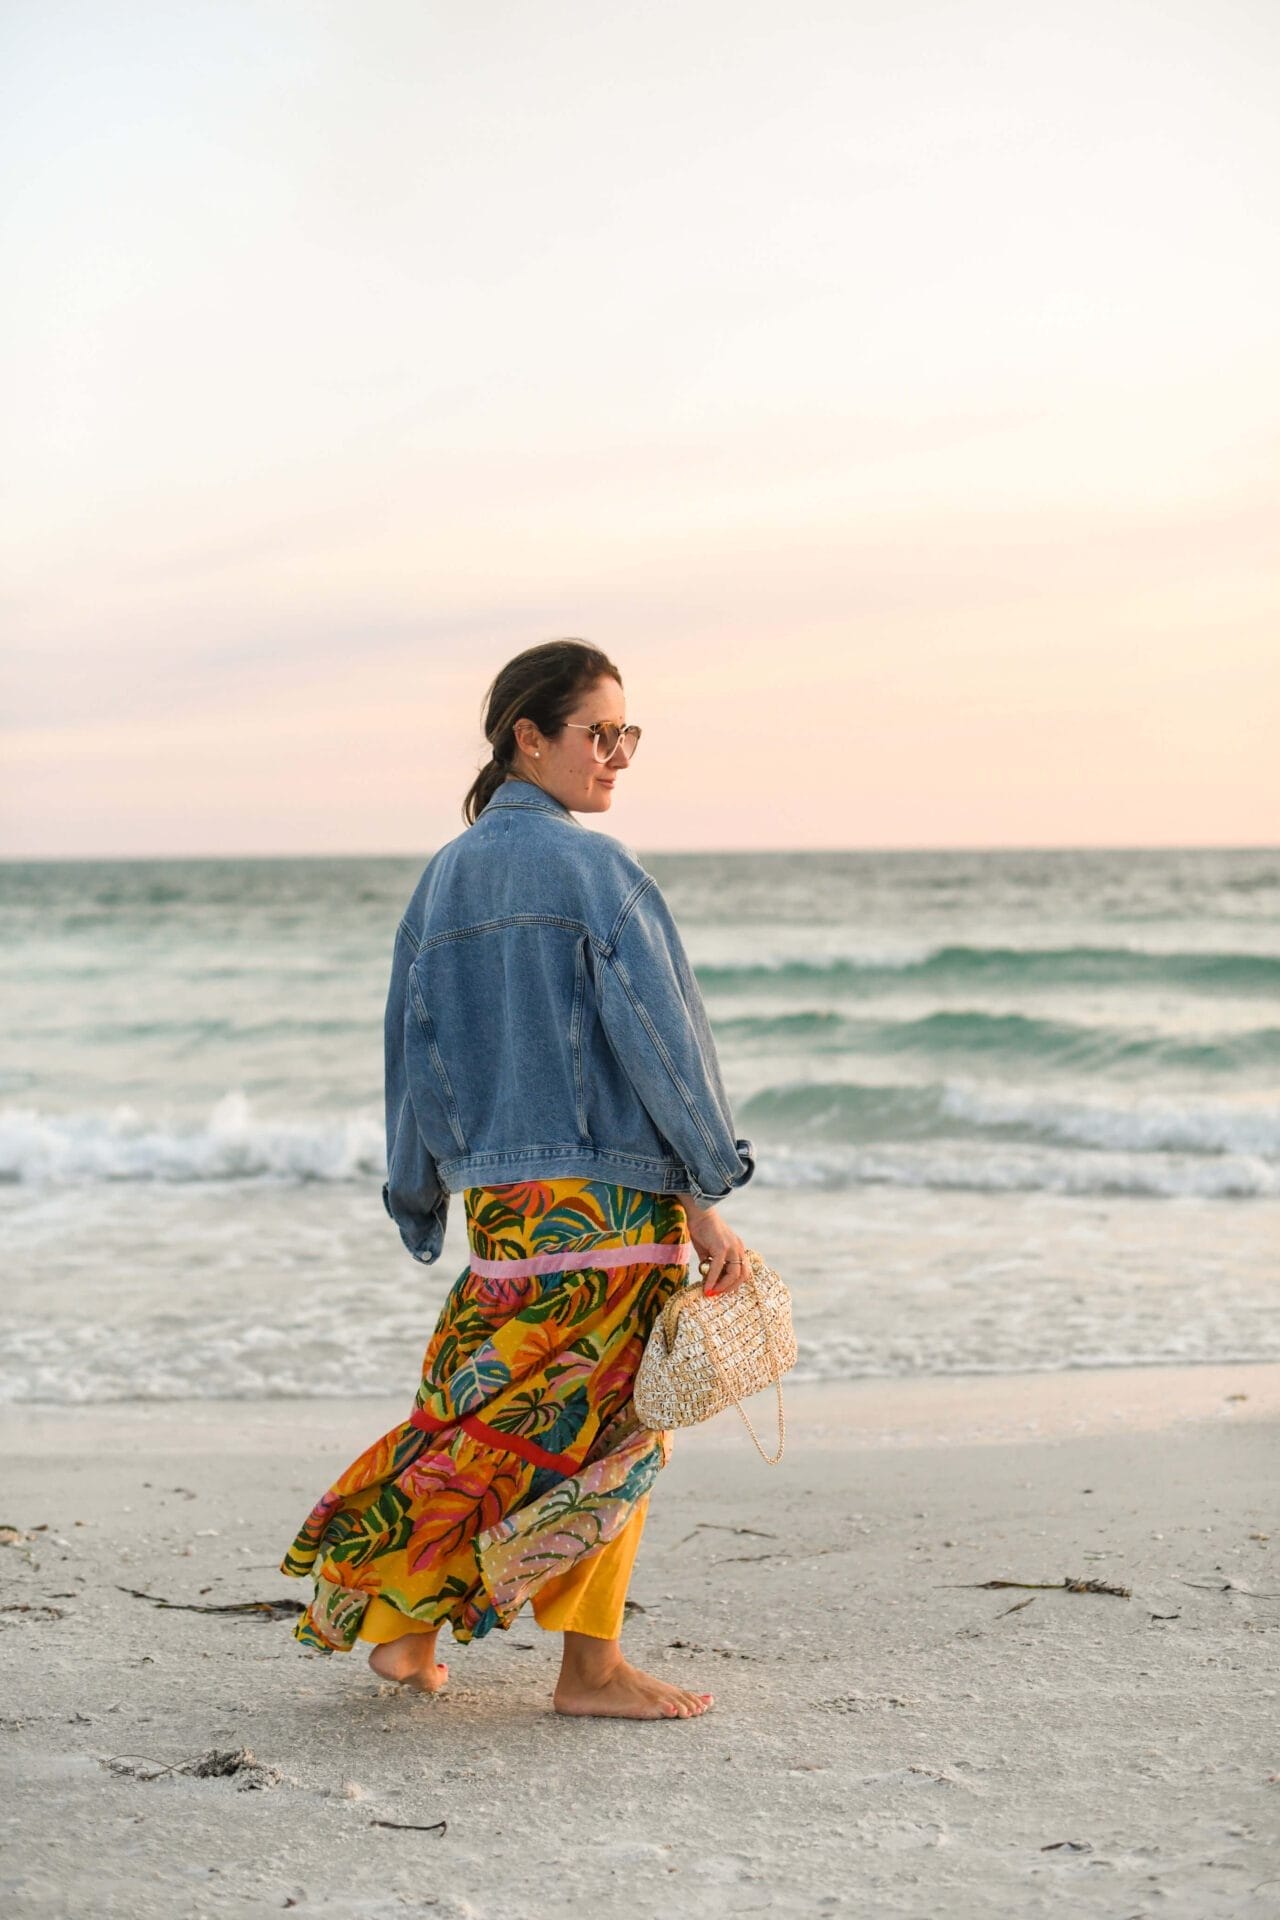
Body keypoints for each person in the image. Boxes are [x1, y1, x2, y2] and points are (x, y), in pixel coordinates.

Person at [280, 639, 756, 1722]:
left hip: (505, 1210)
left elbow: (410, 1051)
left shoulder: (441, 880)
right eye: (599, 733)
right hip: (610, 1203)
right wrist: (705, 1186)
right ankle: (589, 1673)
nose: (618, 756)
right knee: (617, 1433)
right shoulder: (597, 872)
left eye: (628, 735)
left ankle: (402, 1628)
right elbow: (661, 1043)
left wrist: (420, 1193)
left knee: (491, 1421)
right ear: (526, 738)